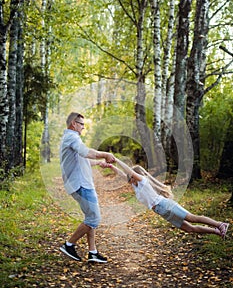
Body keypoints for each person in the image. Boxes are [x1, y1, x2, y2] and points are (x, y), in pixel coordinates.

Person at [108, 158, 229, 239]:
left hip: (164, 204)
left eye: (131, 177)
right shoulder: (136, 186)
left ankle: (220, 224)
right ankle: (217, 232)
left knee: (192, 218)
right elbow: (124, 175)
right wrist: (111, 166)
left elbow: (128, 171)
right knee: (189, 229)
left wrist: (116, 159)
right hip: (160, 211)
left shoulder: (143, 181)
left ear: (135, 176)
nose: (129, 180)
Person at [59, 112, 115, 263]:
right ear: (73, 123)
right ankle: (69, 244)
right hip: (81, 184)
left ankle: (93, 252)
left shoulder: (72, 138)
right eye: (81, 124)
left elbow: (82, 159)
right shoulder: (71, 137)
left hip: (82, 183)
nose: (83, 127)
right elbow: (86, 152)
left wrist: (99, 163)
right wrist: (104, 154)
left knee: (90, 217)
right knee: (94, 218)